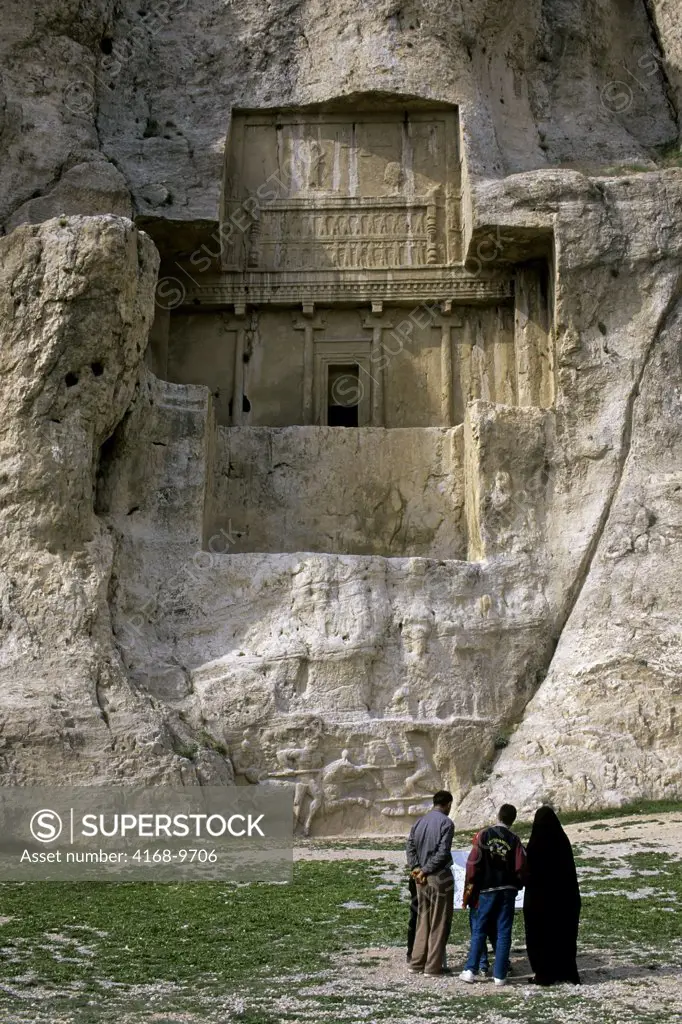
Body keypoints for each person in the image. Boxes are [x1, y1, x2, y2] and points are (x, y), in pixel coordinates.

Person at [459, 803, 526, 986]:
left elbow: (473, 863)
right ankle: (500, 975)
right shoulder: (514, 839)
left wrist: (470, 887)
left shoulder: (484, 835)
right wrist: (517, 884)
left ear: (498, 816)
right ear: (513, 819)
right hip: (507, 890)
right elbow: (521, 866)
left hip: (487, 889)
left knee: (480, 929)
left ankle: (471, 970)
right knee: (504, 931)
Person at [523, 805, 581, 986]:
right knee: (564, 935)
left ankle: (544, 973)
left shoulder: (535, 844)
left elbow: (529, 872)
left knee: (540, 936)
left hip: (540, 901)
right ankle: (566, 972)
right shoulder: (562, 842)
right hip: (564, 899)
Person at [405, 790, 455, 976]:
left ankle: (416, 962)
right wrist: (426, 869)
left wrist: (417, 868)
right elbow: (443, 853)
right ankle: (433, 967)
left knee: (422, 921)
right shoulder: (446, 823)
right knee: (439, 922)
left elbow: (410, 846)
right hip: (438, 876)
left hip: (420, 879)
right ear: (448, 804)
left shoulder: (419, 822)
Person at [462, 832, 497, 976]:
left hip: (478, 901)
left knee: (478, 932)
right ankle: (503, 964)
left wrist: (465, 899)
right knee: (496, 934)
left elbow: (470, 879)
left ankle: (482, 964)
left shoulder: (476, 855)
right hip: (495, 901)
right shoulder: (496, 856)